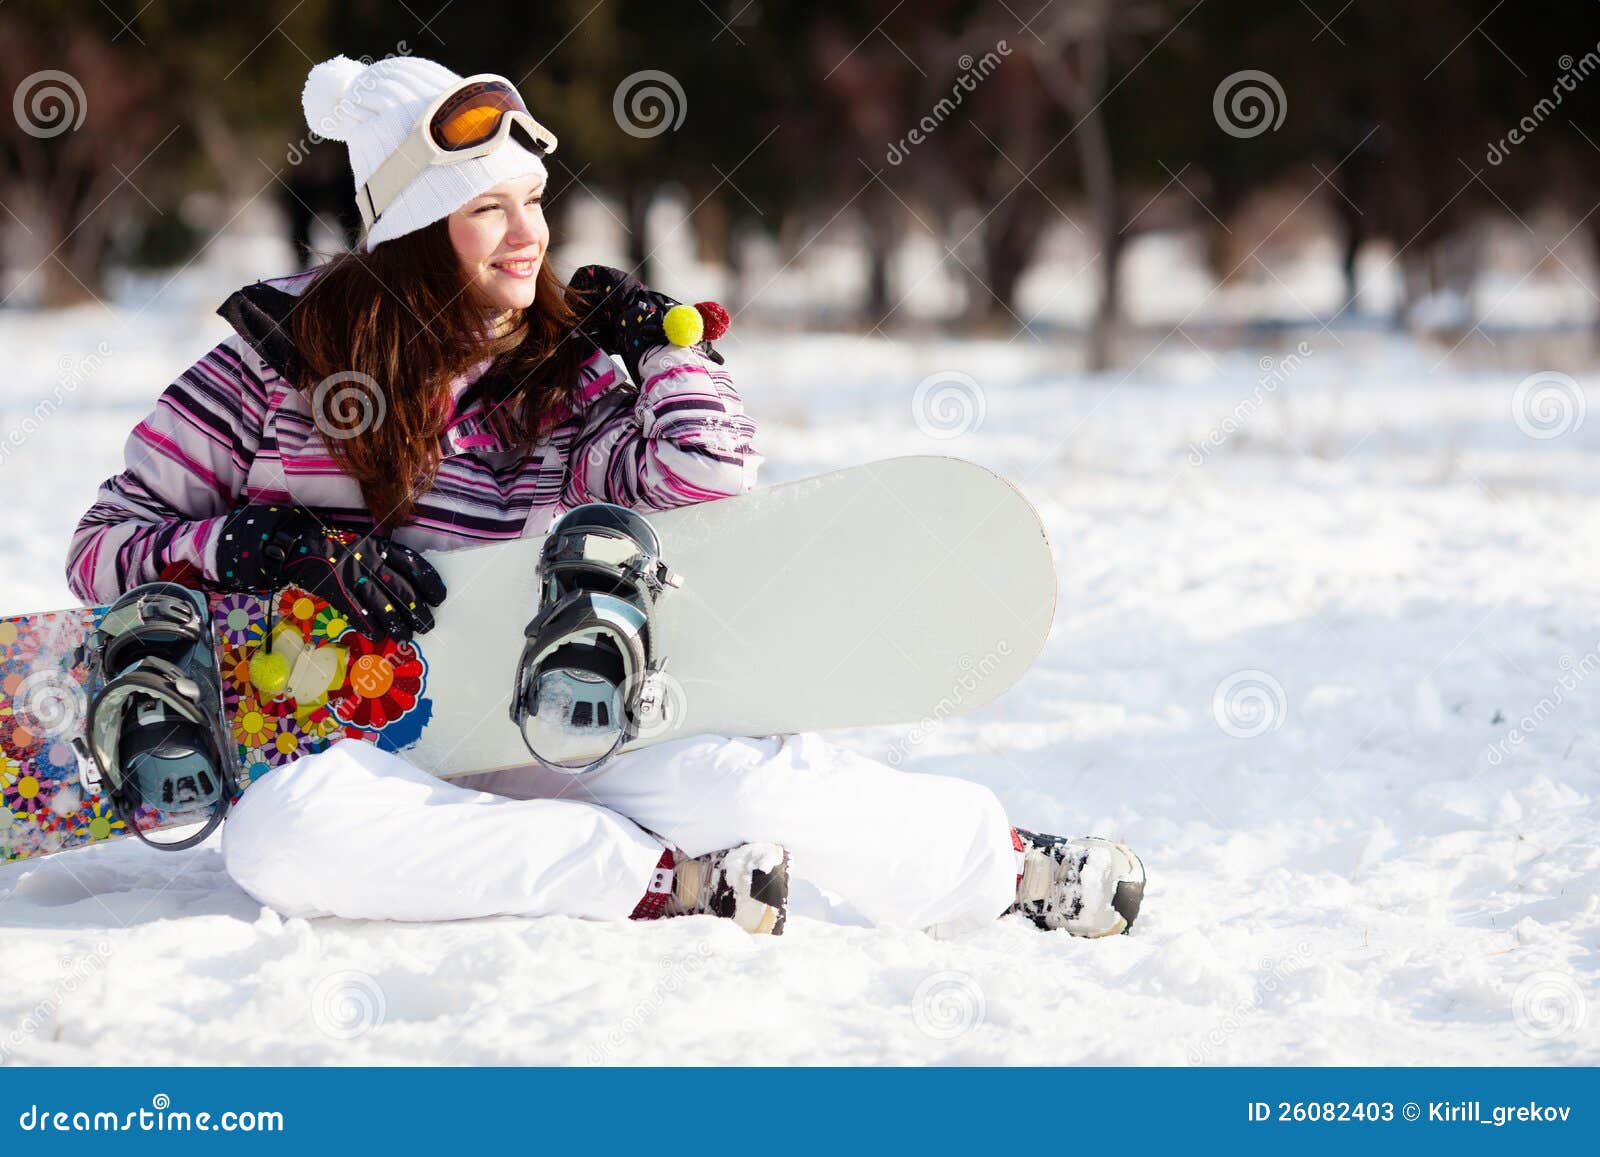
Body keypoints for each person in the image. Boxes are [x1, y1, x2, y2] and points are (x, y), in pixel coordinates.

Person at [67, 54, 1144, 939]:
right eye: (486, 209)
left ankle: (997, 869)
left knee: (733, 779)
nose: (530, 232)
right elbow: (104, 544)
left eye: (531, 200)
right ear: (406, 231)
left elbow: (708, 482)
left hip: (551, 716)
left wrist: (661, 350)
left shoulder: (564, 361)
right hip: (354, 741)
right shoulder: (273, 360)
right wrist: (254, 545)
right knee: (278, 844)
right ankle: (660, 881)